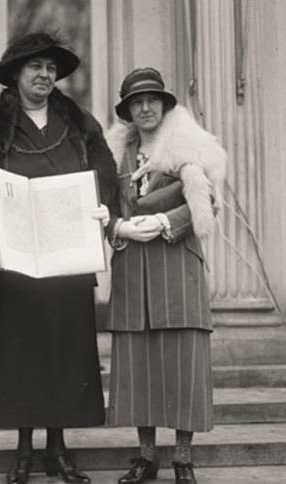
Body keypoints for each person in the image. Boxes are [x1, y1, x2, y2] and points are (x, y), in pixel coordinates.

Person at [0, 32, 119, 484]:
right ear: (15, 75)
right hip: (15, 263)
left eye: (51, 68)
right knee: (19, 354)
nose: (44, 75)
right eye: (34, 66)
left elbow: (105, 172)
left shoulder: (78, 122)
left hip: (66, 260)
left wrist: (104, 206)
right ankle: (21, 450)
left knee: (62, 354)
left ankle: (58, 449)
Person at [104, 67, 227, 484]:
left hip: (176, 264)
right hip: (133, 268)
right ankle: (145, 457)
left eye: (151, 100)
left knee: (182, 362)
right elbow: (101, 208)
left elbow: (208, 201)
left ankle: (183, 458)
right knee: (140, 365)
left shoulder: (190, 147)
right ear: (127, 111)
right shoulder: (116, 155)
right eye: (136, 102)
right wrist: (116, 227)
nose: (144, 107)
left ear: (164, 104)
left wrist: (164, 222)